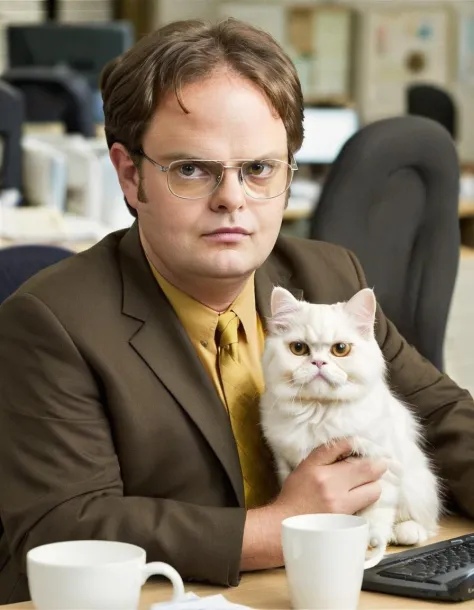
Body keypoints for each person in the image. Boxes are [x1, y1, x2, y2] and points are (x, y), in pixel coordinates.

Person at [0, 18, 472, 605]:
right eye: (192, 170)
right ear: (129, 175)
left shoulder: (326, 277)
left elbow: (446, 417)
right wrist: (275, 530)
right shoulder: (51, 321)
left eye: (258, 169)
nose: (232, 198)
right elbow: (58, 527)